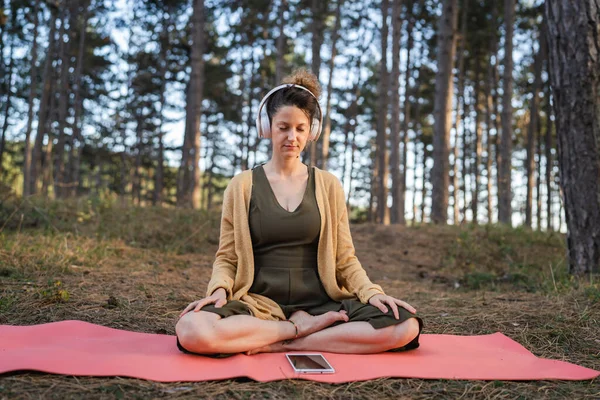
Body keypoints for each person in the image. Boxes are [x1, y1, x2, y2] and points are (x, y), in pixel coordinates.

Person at [175, 68, 422, 356]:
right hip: (258, 304)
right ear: (267, 128)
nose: (292, 137)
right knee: (192, 330)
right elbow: (228, 257)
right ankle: (294, 331)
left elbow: (345, 258)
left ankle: (279, 342)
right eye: (283, 127)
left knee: (405, 327)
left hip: (322, 304)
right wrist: (218, 290)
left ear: (312, 131)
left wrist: (372, 293)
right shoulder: (241, 185)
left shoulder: (328, 186)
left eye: (300, 128)